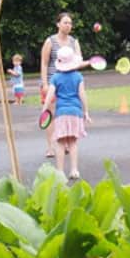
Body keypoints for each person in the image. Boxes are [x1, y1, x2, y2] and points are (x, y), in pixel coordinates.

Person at [42, 45, 91, 181]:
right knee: (73, 141)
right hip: (76, 112)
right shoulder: (78, 77)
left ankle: (60, 171)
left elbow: (50, 95)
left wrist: (44, 109)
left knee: (60, 142)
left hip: (61, 113)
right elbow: (82, 94)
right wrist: (86, 111)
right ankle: (74, 169)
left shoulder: (55, 78)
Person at [39, 12, 82, 158]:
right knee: (51, 115)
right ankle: (51, 147)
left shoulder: (74, 42)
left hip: (68, 84)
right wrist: (45, 84)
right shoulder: (50, 41)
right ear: (58, 24)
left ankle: (67, 144)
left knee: (66, 114)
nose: (68, 25)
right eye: (65, 22)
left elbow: (78, 61)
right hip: (52, 82)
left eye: (70, 23)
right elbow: (44, 63)